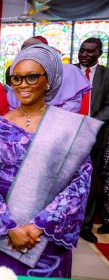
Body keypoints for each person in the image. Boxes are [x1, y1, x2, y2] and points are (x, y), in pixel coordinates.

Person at [0, 44, 102, 277]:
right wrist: (9, 226)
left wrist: (38, 226)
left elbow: (80, 184)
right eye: (16, 78)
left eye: (32, 77)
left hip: (47, 239)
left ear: (49, 80)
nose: (22, 85)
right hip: (5, 236)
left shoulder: (68, 127)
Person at [74, 37, 109, 241]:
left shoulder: (106, 75)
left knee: (89, 180)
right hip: (68, 135)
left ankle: (85, 225)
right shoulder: (69, 71)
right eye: (82, 51)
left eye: (90, 51)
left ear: (99, 53)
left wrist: (90, 124)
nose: (85, 55)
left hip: (95, 136)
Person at [6, 36, 92, 113]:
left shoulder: (70, 71)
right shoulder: (16, 72)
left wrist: (40, 119)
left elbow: (72, 108)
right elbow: (13, 107)